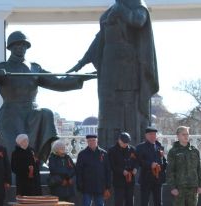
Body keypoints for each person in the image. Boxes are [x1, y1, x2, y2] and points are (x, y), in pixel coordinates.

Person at [0, 31, 92, 162]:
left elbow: (57, 82)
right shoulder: (1, 66)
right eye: (16, 45)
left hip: (32, 113)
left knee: (46, 114)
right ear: (10, 47)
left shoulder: (34, 68)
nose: (20, 47)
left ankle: (39, 160)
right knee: (11, 153)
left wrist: (80, 78)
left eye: (23, 45)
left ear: (27, 47)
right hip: (11, 114)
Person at [67, 0, 159, 148]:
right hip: (108, 67)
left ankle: (131, 146)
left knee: (129, 108)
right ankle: (108, 147)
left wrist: (120, 8)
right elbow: (99, 40)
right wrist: (82, 61)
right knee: (107, 109)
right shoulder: (110, 11)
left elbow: (138, 21)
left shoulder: (137, 5)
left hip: (128, 66)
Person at [167, 126, 201, 206]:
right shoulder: (173, 152)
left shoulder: (194, 150)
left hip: (193, 187)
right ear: (178, 136)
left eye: (187, 134)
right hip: (179, 187)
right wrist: (172, 187)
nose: (186, 136)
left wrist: (200, 185)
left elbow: (199, 169)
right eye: (184, 134)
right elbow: (170, 171)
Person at [76, 134, 111, 206]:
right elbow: (78, 171)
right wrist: (80, 184)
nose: (92, 142)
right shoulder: (82, 154)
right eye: (90, 140)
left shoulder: (103, 153)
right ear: (87, 142)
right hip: (86, 185)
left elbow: (108, 170)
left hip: (100, 185)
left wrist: (108, 186)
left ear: (97, 141)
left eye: (93, 140)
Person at [136, 127, 167, 206]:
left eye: (154, 134)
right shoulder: (140, 147)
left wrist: (163, 165)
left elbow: (163, 160)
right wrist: (150, 165)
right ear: (146, 136)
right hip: (146, 178)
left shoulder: (159, 146)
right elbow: (140, 161)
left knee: (159, 201)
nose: (153, 136)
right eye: (151, 134)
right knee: (145, 201)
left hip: (158, 178)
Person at [11, 134, 42, 206]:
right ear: (19, 142)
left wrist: (36, 164)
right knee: (23, 203)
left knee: (32, 204)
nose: (26, 142)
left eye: (27, 140)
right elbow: (14, 167)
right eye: (24, 141)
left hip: (33, 182)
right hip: (23, 182)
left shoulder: (31, 150)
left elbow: (37, 163)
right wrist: (26, 170)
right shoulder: (16, 153)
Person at [108, 132, 138, 206]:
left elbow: (137, 162)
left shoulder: (132, 149)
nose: (125, 144)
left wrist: (135, 168)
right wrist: (122, 171)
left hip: (130, 180)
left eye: (127, 142)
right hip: (119, 181)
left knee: (130, 202)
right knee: (119, 203)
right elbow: (112, 165)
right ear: (119, 140)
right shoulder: (112, 150)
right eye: (124, 142)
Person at [48, 140, 79, 206]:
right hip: (59, 186)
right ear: (56, 149)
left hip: (69, 186)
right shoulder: (52, 158)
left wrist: (70, 178)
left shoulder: (68, 157)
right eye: (61, 148)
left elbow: (73, 169)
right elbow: (54, 170)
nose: (63, 149)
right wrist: (64, 177)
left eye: (64, 148)